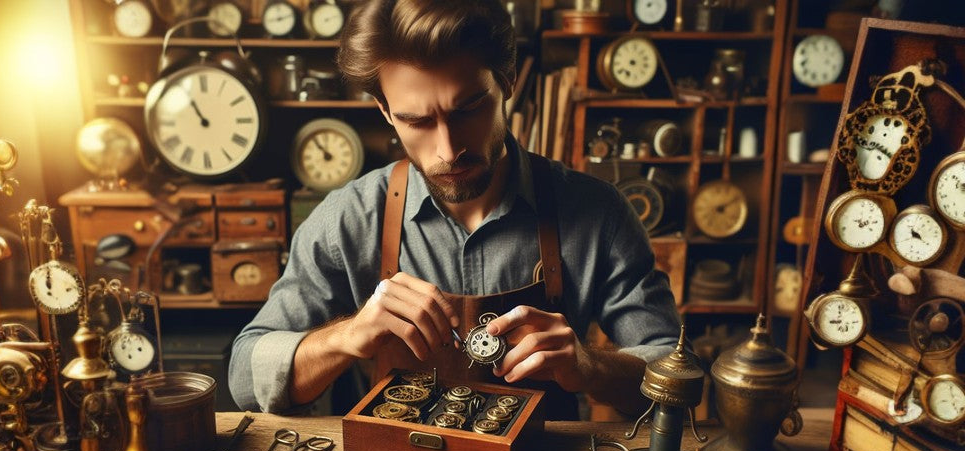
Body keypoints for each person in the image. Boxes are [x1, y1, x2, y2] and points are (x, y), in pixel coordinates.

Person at [229, 0, 681, 420]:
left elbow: (676, 373)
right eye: (417, 120)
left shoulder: (598, 213)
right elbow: (245, 376)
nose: (448, 149)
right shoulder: (347, 219)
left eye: (468, 108)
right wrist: (346, 338)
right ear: (385, 111)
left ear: (506, 82)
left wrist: (590, 367)